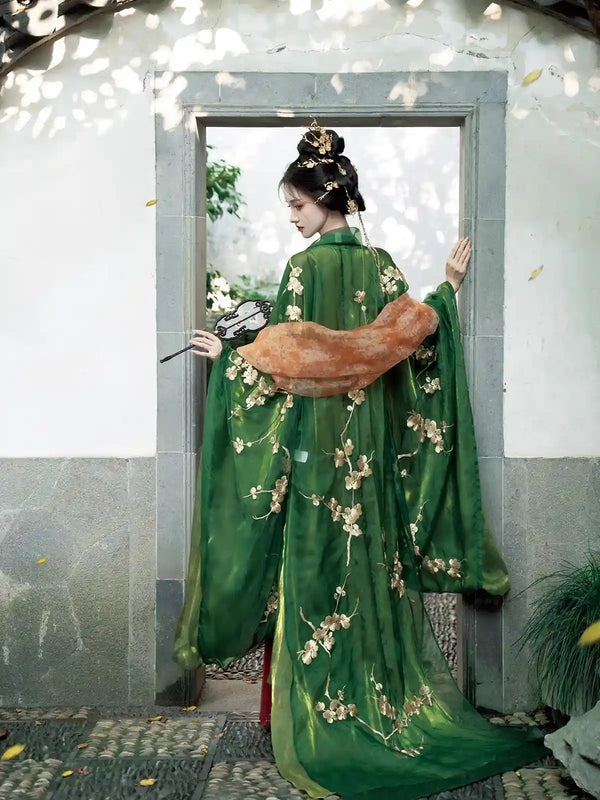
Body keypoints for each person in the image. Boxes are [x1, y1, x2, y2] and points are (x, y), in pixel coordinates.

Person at [173, 122, 547, 800]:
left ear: (325, 198)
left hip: (316, 461)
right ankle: (388, 702)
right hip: (370, 465)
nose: (291, 217)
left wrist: (231, 359)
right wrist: (445, 291)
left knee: (313, 580)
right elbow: (405, 344)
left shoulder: (302, 271)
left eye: (295, 204)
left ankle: (318, 716)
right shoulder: (385, 271)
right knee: (371, 578)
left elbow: (287, 368)